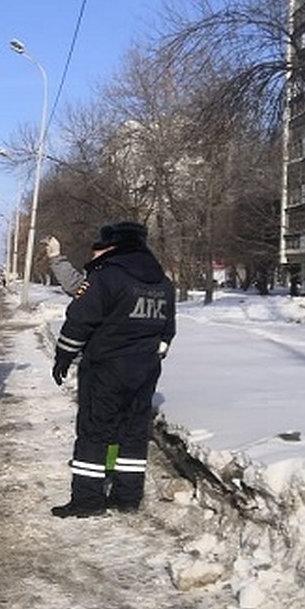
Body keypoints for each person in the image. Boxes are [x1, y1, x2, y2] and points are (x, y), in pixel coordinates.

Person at [49, 221, 175, 518]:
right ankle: (127, 496)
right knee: (132, 432)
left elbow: (81, 319)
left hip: (105, 369)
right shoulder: (162, 283)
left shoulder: (107, 277)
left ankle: (88, 500)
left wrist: (64, 355)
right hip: (145, 370)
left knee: (94, 432)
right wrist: (149, 356)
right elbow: (167, 332)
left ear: (114, 246)